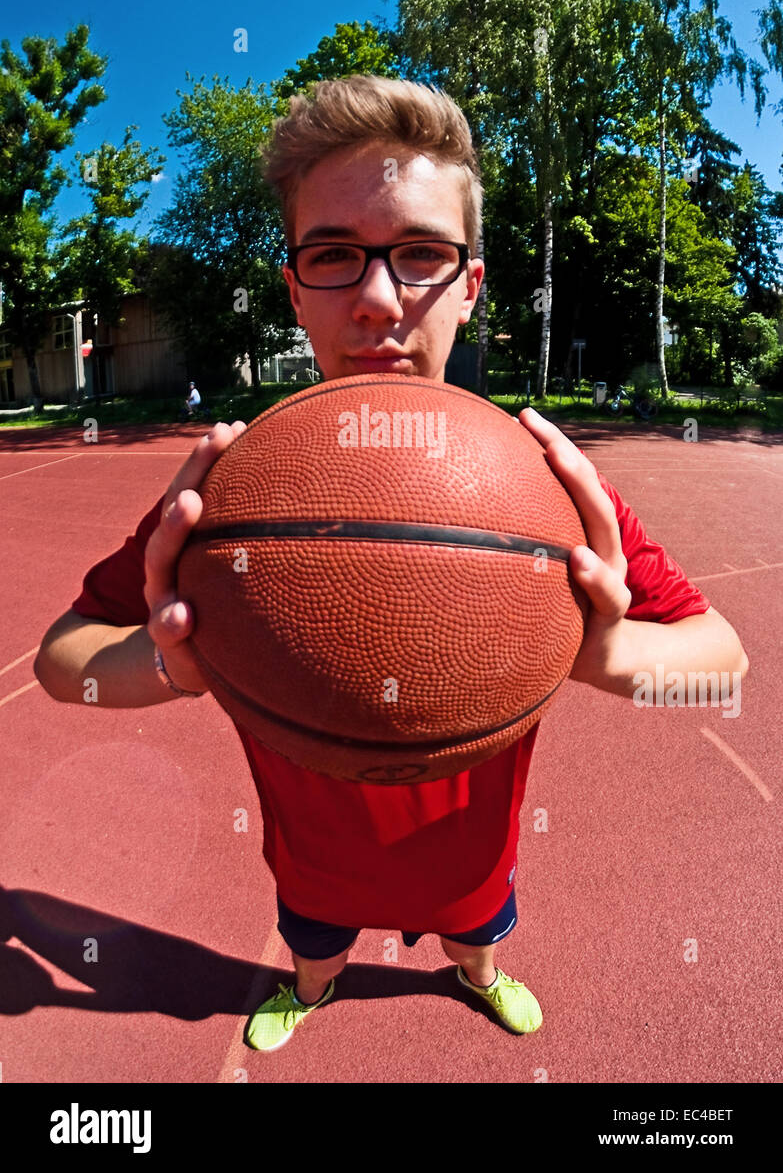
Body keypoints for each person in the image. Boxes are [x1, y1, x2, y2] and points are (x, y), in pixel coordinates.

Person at [34, 76, 749, 1055]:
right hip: (313, 862)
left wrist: (607, 653)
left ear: (471, 284)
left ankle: (479, 975)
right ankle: (313, 983)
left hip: (474, 860)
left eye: (419, 255)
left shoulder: (540, 495)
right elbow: (59, 661)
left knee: (477, 942)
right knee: (315, 952)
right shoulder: (229, 499)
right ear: (293, 286)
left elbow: (725, 661)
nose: (377, 299)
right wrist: (170, 668)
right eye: (333, 255)